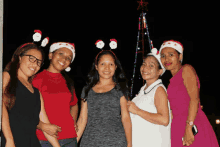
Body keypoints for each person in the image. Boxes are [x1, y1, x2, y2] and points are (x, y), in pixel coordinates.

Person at [159, 40, 219, 146]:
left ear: (180, 56)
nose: (166, 59)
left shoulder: (186, 70)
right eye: (163, 56)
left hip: (191, 122)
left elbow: (194, 99)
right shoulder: (170, 84)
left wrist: (189, 127)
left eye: (171, 55)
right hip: (177, 126)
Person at [1, 42, 60, 147]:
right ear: (20, 57)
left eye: (39, 62)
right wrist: (9, 140)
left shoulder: (37, 92)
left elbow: (46, 125)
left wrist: (57, 146)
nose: (35, 64)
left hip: (32, 143)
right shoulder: (7, 77)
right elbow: (1, 108)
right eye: (31, 58)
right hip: (12, 141)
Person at [76, 44, 132, 146]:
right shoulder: (87, 90)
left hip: (116, 141)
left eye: (111, 64)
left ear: (115, 67)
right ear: (96, 67)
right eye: (103, 64)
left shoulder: (120, 88)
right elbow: (82, 119)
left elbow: (125, 117)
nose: (107, 68)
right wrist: (73, 142)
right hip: (90, 141)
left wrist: (129, 144)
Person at [32, 42, 78, 147]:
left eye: (68, 58)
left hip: (70, 138)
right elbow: (26, 110)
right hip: (44, 139)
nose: (64, 59)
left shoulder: (68, 82)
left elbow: (74, 104)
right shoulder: (36, 79)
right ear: (50, 55)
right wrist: (41, 125)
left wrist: (73, 121)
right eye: (61, 54)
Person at [127, 48, 171, 147]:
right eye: (144, 64)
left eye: (151, 66)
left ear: (160, 71)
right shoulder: (143, 90)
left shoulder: (159, 89)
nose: (145, 68)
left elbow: (164, 119)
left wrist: (137, 110)